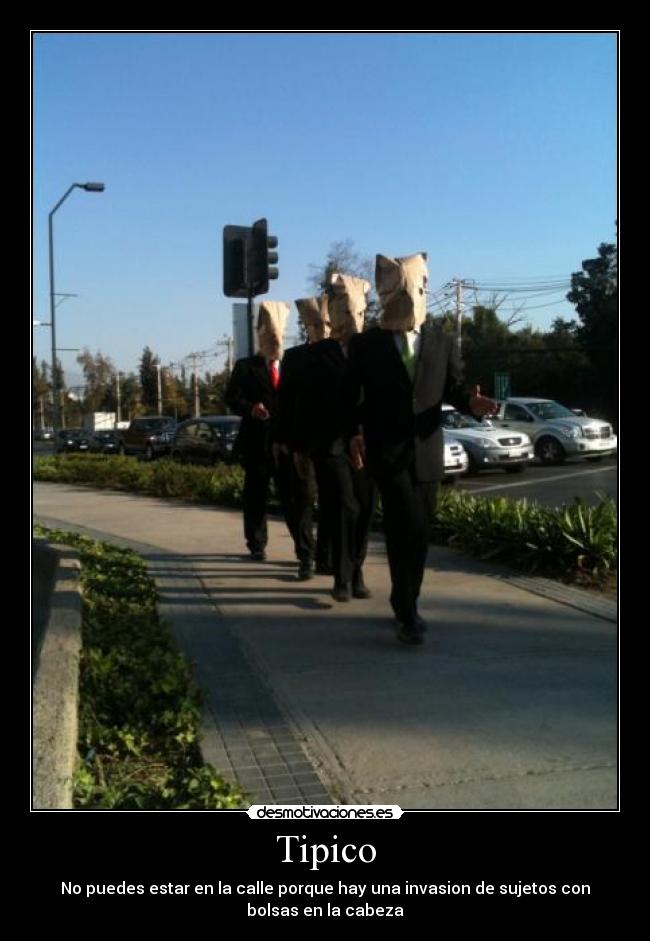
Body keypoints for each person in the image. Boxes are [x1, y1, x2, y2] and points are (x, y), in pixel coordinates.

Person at [347, 252, 496, 644]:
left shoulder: (441, 339)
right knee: (403, 525)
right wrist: (354, 433)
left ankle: (407, 597)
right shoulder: (367, 345)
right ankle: (407, 610)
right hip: (388, 451)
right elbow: (352, 399)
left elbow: (455, 389)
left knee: (421, 530)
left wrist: (473, 404)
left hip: (428, 449)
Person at [293, 273, 377, 602]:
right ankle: (341, 577)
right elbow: (305, 402)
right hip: (330, 444)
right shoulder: (319, 354)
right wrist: (298, 446)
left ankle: (356, 571)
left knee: (366, 509)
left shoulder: (374, 348)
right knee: (346, 507)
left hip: (368, 443)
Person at [224, 301, 295, 561]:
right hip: (256, 443)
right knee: (255, 497)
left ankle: (304, 549)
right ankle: (256, 544)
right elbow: (231, 398)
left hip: (287, 443)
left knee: (292, 498)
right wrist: (251, 408)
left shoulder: (292, 364)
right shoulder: (246, 367)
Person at [277, 295, 334, 580]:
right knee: (303, 500)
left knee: (332, 501)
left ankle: (325, 556)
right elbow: (284, 401)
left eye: (325, 323)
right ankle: (306, 555)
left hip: (334, 441)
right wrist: (287, 441)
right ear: (305, 327)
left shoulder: (342, 353)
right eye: (314, 324)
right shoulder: (295, 358)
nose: (321, 328)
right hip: (302, 441)